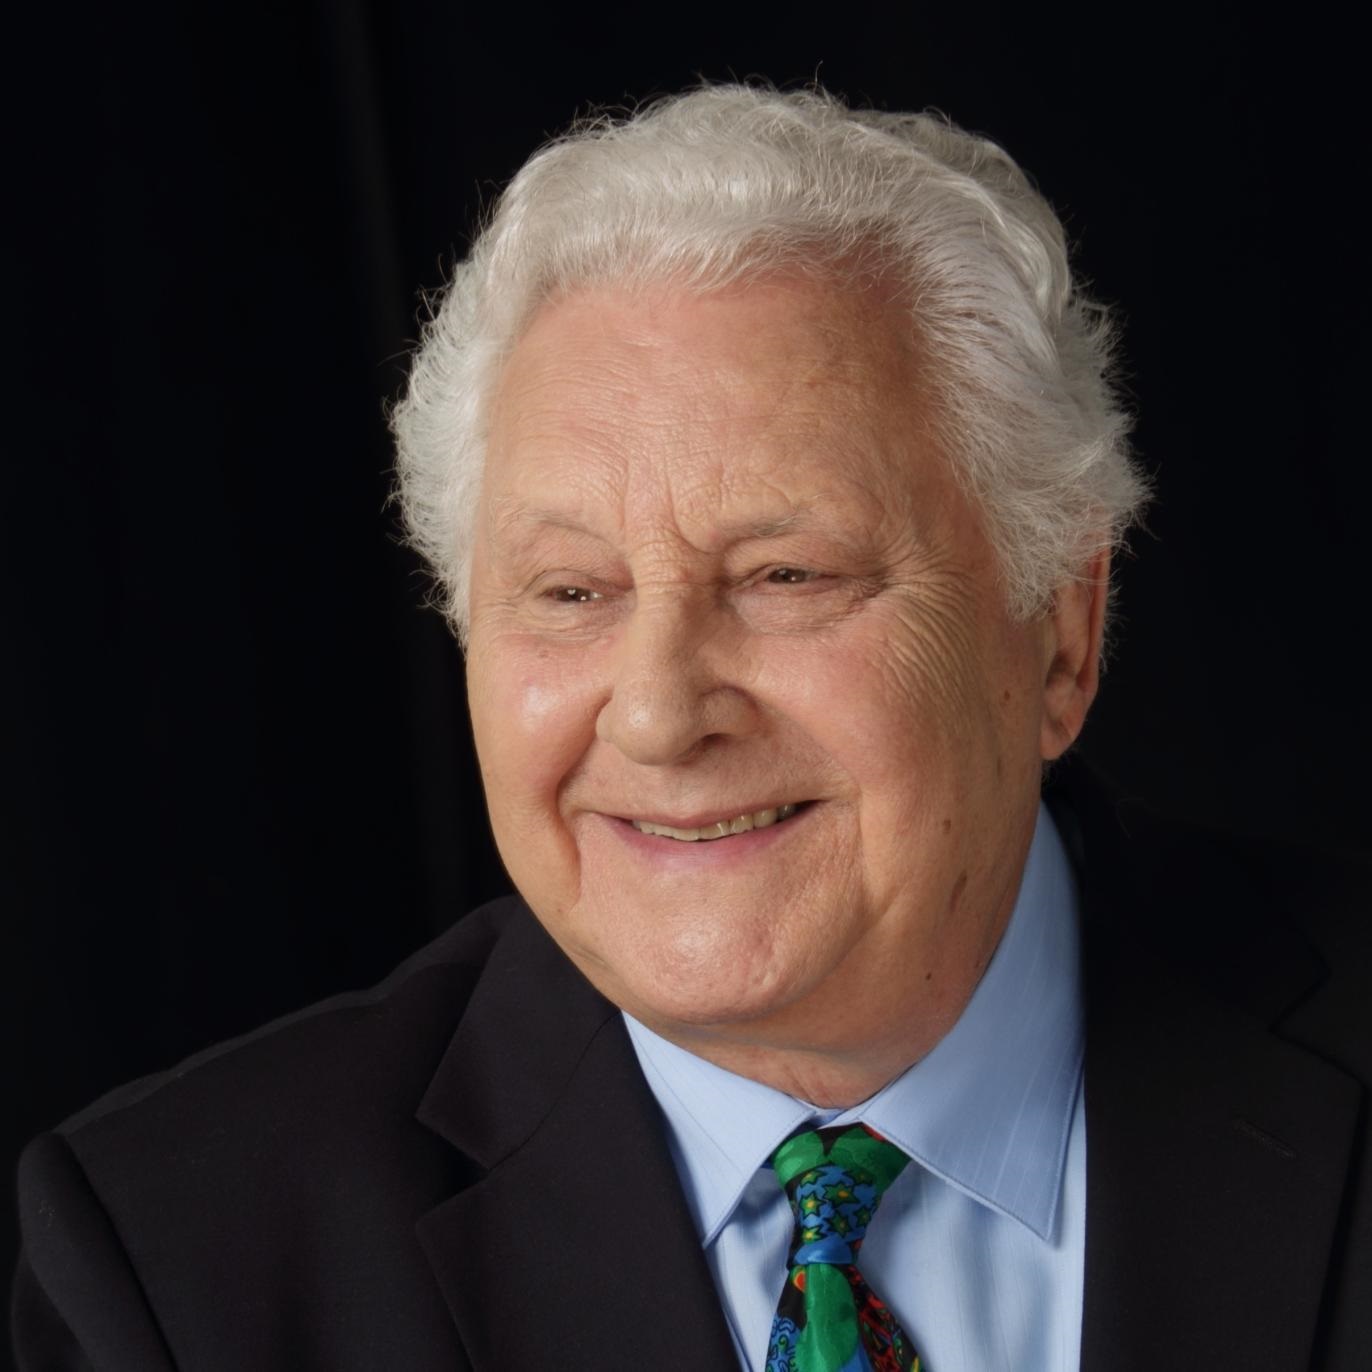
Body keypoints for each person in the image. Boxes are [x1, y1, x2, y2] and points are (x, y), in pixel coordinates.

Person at [12, 84, 1369, 1372]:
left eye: (788, 576)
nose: (660, 715)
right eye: (571, 592)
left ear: (1059, 632)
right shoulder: (184, 1271)